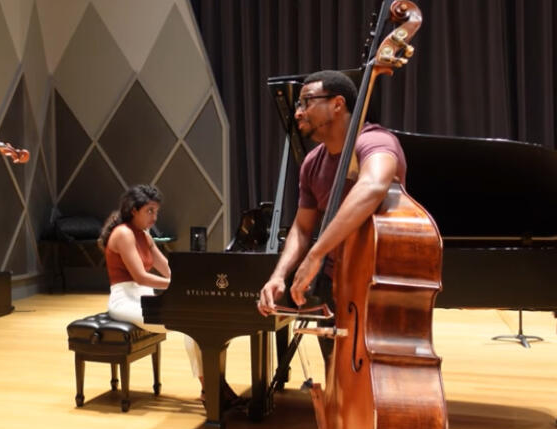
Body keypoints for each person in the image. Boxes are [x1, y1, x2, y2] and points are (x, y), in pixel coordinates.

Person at [257, 70, 407, 366]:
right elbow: (302, 227)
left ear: (338, 104)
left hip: (378, 284)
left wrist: (316, 253)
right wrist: (279, 275)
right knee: (337, 371)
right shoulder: (312, 163)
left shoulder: (375, 141)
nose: (298, 112)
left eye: (306, 102)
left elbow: (373, 186)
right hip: (336, 282)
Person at [99, 184, 240, 405]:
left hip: (144, 296)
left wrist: (192, 283)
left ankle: (216, 385)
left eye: (156, 211)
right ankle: (211, 389)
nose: (155, 217)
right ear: (134, 210)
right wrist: (177, 286)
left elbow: (168, 269)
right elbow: (141, 277)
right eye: (150, 211)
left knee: (204, 323)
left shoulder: (144, 235)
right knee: (193, 325)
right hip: (125, 301)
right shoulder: (124, 234)